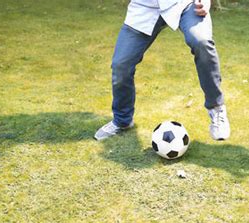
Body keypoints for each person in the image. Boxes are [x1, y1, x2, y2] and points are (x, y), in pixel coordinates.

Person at [94, 0, 230, 141]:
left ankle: (216, 108)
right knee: (121, 65)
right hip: (144, 7)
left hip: (184, 4)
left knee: (201, 41)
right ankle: (122, 120)